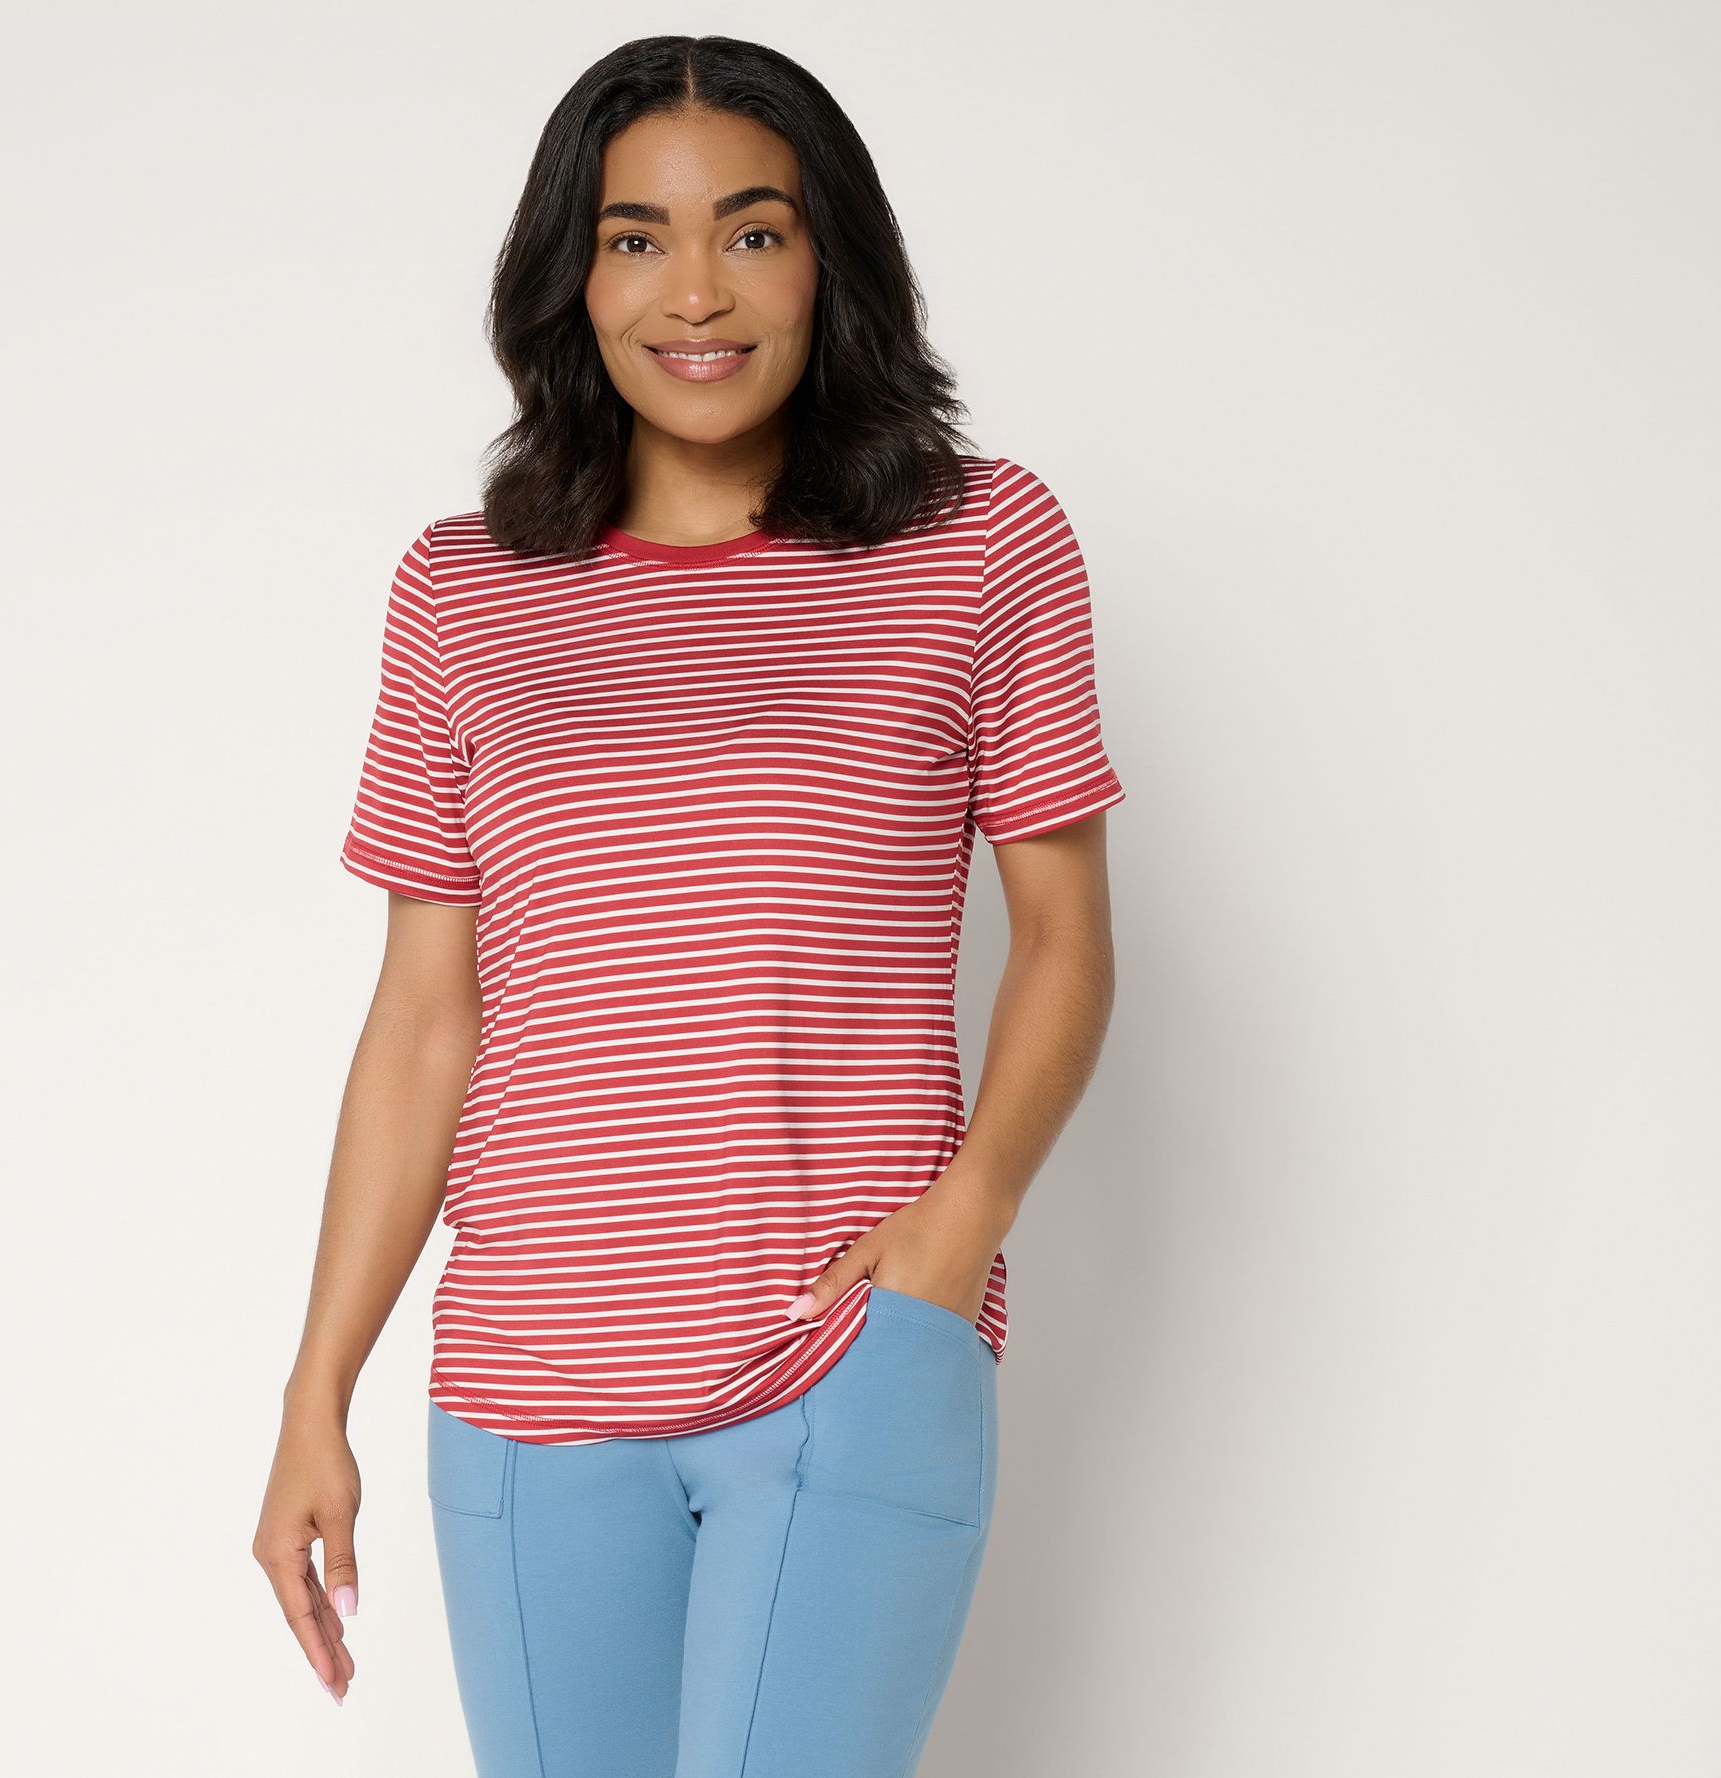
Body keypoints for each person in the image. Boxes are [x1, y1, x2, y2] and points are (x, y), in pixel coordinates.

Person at [252, 33, 1127, 1778]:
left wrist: (962, 1225)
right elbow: (425, 1019)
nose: (697, 291)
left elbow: (1065, 941)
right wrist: (315, 1392)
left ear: (829, 260)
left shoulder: (979, 545)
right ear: (571, 279)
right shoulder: (463, 589)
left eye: (754, 230)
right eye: (636, 239)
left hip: (843, 1349)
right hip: (523, 1389)